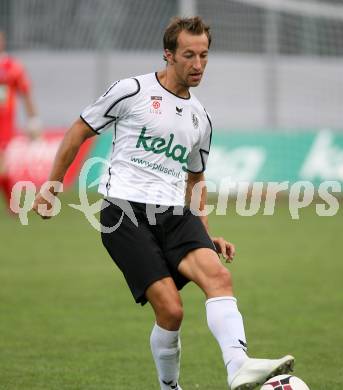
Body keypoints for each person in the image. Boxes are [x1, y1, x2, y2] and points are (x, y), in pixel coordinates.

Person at [33, 17, 294, 390]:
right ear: (168, 54)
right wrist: (52, 185)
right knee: (171, 311)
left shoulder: (201, 118)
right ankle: (169, 388)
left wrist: (207, 234)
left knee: (219, 276)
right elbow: (79, 129)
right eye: (189, 55)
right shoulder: (131, 90)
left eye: (204, 55)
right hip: (123, 213)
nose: (198, 64)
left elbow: (195, 180)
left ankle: (238, 366)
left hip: (174, 213)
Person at [0, 31, 41, 210]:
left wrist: (33, 121)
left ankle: (13, 204)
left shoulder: (12, 67)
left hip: (3, 126)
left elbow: (26, 94)